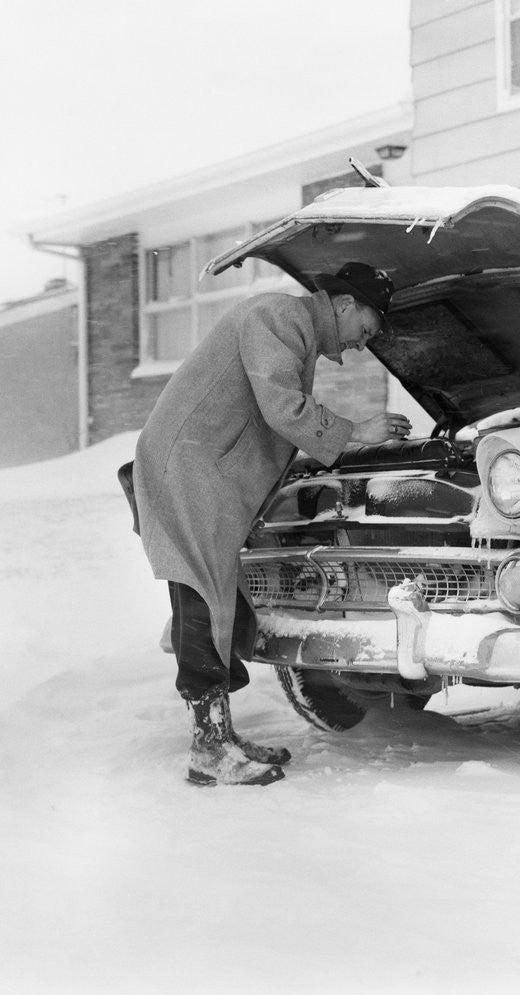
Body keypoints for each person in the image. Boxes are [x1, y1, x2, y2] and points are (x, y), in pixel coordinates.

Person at [132, 262, 412, 787]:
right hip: (190, 471)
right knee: (204, 601)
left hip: (203, 472)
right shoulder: (278, 316)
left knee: (218, 601)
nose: (363, 343)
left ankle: (219, 737)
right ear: (344, 305)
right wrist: (357, 431)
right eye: (366, 328)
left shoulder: (293, 328)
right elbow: (283, 407)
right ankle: (209, 748)